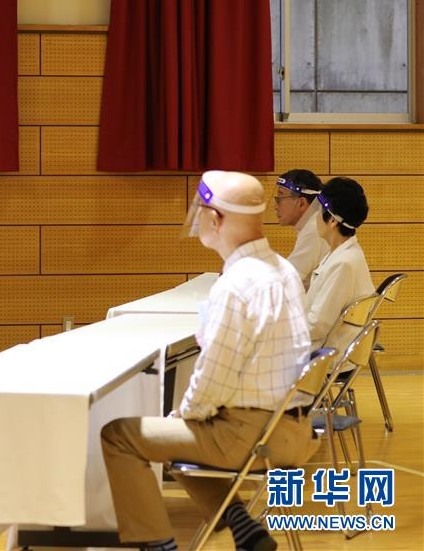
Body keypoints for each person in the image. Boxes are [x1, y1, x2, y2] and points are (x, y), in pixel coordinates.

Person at [101, 171, 318, 551]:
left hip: (247, 437)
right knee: (184, 428)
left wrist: (182, 415)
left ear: (216, 219)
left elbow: (211, 381)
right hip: (292, 432)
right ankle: (242, 526)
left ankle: (158, 545)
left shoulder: (235, 285)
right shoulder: (283, 271)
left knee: (121, 435)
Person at [305, 177, 374, 351]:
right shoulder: (342, 254)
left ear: (332, 221)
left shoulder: (344, 263)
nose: (315, 217)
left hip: (324, 355)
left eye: (318, 211)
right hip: (324, 346)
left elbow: (317, 326)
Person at [272, 169, 329, 289]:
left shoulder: (313, 229)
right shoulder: (314, 224)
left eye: (280, 198)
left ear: (302, 203)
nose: (275, 207)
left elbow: (287, 280)